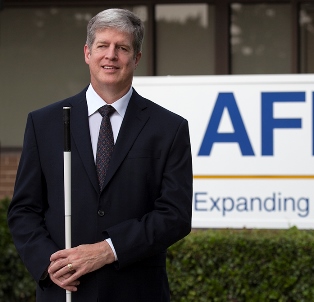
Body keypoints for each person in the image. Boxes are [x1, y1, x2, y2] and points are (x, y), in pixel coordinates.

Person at [7, 8, 192, 302]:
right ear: (87, 53)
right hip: (65, 291)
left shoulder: (168, 128)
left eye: (122, 48)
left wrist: (108, 249)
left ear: (136, 58)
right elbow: (24, 211)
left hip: (137, 291)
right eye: (103, 45)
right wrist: (48, 264)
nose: (111, 55)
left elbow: (175, 215)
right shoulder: (44, 123)